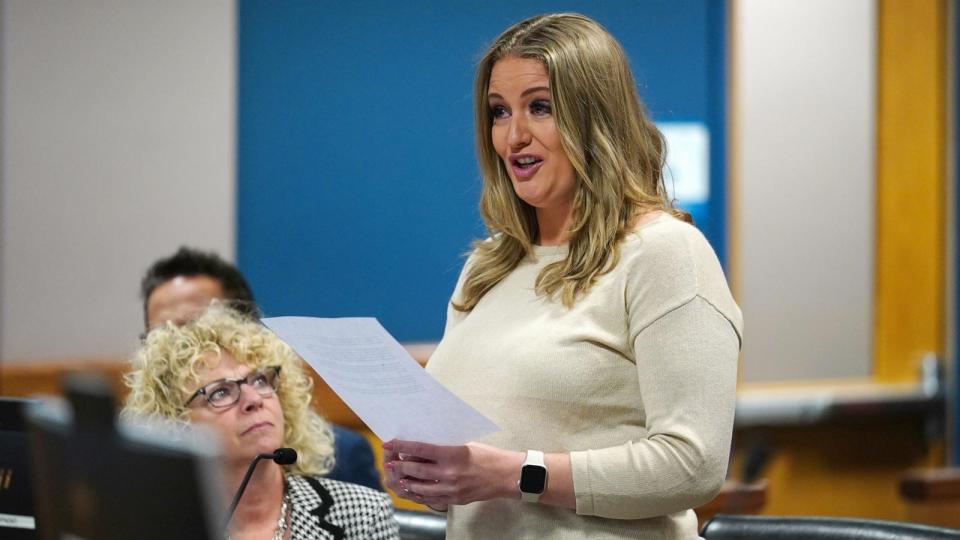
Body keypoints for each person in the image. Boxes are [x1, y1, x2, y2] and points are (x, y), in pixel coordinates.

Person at [383, 13, 742, 539]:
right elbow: (484, 474)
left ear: (596, 118)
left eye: (540, 108)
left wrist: (513, 474)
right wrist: (435, 476)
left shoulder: (665, 254)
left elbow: (692, 464)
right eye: (499, 112)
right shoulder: (488, 266)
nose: (514, 136)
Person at [123, 305, 400, 539]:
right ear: (176, 424)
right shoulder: (152, 527)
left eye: (260, 380)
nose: (253, 399)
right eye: (220, 392)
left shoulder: (362, 516)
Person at [140, 246, 384, 492]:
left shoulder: (343, 462)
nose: (182, 345)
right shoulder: (143, 478)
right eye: (162, 335)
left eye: (199, 324)